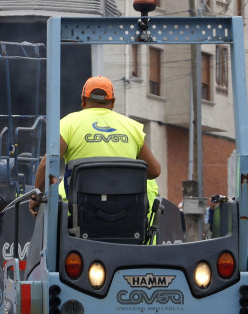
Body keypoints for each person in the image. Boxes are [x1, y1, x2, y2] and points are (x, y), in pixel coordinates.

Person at [29, 76, 161, 216]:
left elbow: (47, 165)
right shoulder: (132, 127)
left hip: (80, 217)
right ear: (113, 102)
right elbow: (154, 171)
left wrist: (35, 197)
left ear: (83, 100)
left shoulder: (68, 124)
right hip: (124, 216)